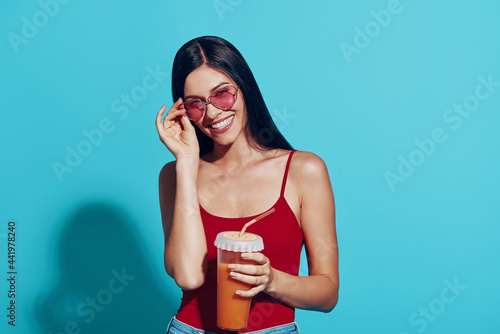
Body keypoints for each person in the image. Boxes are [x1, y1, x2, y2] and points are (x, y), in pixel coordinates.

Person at [156, 36, 338, 334]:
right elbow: (188, 277)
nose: (212, 113)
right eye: (196, 104)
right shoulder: (175, 174)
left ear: (245, 89)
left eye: (222, 94)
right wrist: (187, 162)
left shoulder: (304, 171)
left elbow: (328, 293)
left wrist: (271, 280)